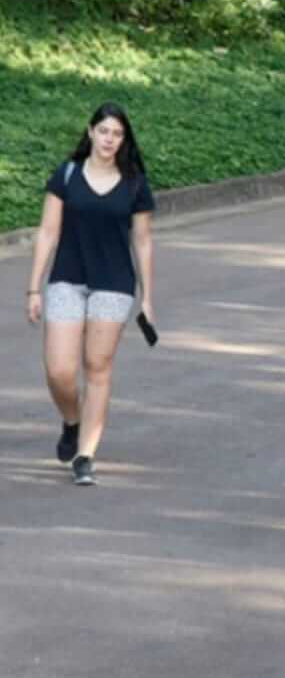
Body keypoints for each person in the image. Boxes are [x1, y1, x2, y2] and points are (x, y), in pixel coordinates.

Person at [25, 102, 155, 487]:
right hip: (67, 277)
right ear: (90, 131)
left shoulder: (134, 183)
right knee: (60, 371)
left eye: (117, 134)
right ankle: (72, 420)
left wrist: (148, 296)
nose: (110, 140)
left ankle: (85, 455)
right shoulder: (67, 175)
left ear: (124, 140)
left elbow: (143, 241)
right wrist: (34, 287)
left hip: (113, 283)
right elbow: (48, 232)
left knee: (97, 367)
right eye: (104, 132)